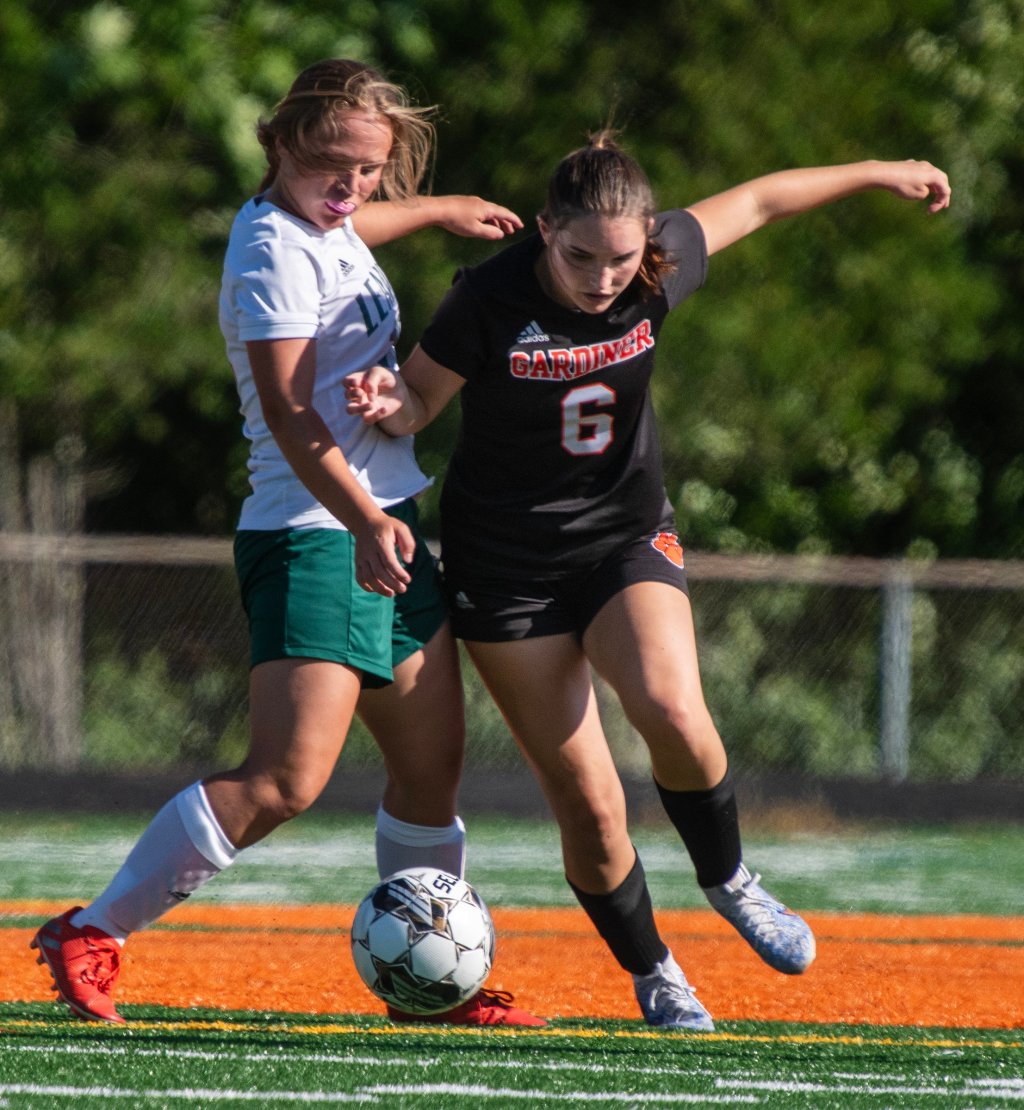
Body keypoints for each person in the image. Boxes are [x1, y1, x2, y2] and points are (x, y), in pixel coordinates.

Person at [345, 135, 952, 1030]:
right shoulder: (488, 296)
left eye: (620, 259)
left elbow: (762, 197)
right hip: (505, 571)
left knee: (671, 709)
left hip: (623, 537)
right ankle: (655, 971)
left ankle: (730, 879)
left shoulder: (661, 263)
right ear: (546, 231)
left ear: (648, 246)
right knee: (589, 805)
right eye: (580, 255)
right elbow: (421, 400)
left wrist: (876, 171)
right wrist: (382, 400)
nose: (601, 277)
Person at [30, 58, 544, 1029]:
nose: (350, 188)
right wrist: (361, 521)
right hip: (320, 533)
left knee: (431, 768)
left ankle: (427, 987)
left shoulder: (327, 222)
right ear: (279, 144)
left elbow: (354, 226)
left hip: (379, 527)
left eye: (369, 171)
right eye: (330, 166)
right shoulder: (270, 247)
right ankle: (93, 929)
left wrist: (436, 209)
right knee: (284, 779)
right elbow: (288, 410)